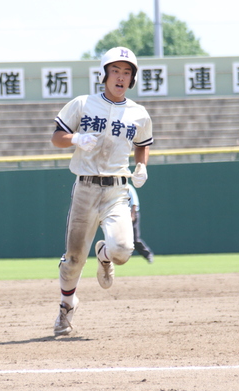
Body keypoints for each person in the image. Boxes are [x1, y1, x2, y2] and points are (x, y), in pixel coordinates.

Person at [51, 47, 153, 336]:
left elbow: (143, 143)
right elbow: (56, 137)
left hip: (117, 191)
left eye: (127, 72)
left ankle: (104, 256)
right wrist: (76, 138)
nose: (121, 77)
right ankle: (65, 309)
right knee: (73, 260)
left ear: (132, 79)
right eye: (116, 71)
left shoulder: (139, 113)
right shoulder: (83, 104)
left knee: (123, 251)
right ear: (105, 74)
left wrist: (142, 165)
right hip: (85, 188)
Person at [127, 183, 154, 264]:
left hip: (132, 214)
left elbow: (134, 203)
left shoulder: (128, 187)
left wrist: (132, 215)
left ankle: (148, 255)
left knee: (135, 240)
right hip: (121, 216)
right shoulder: (116, 188)